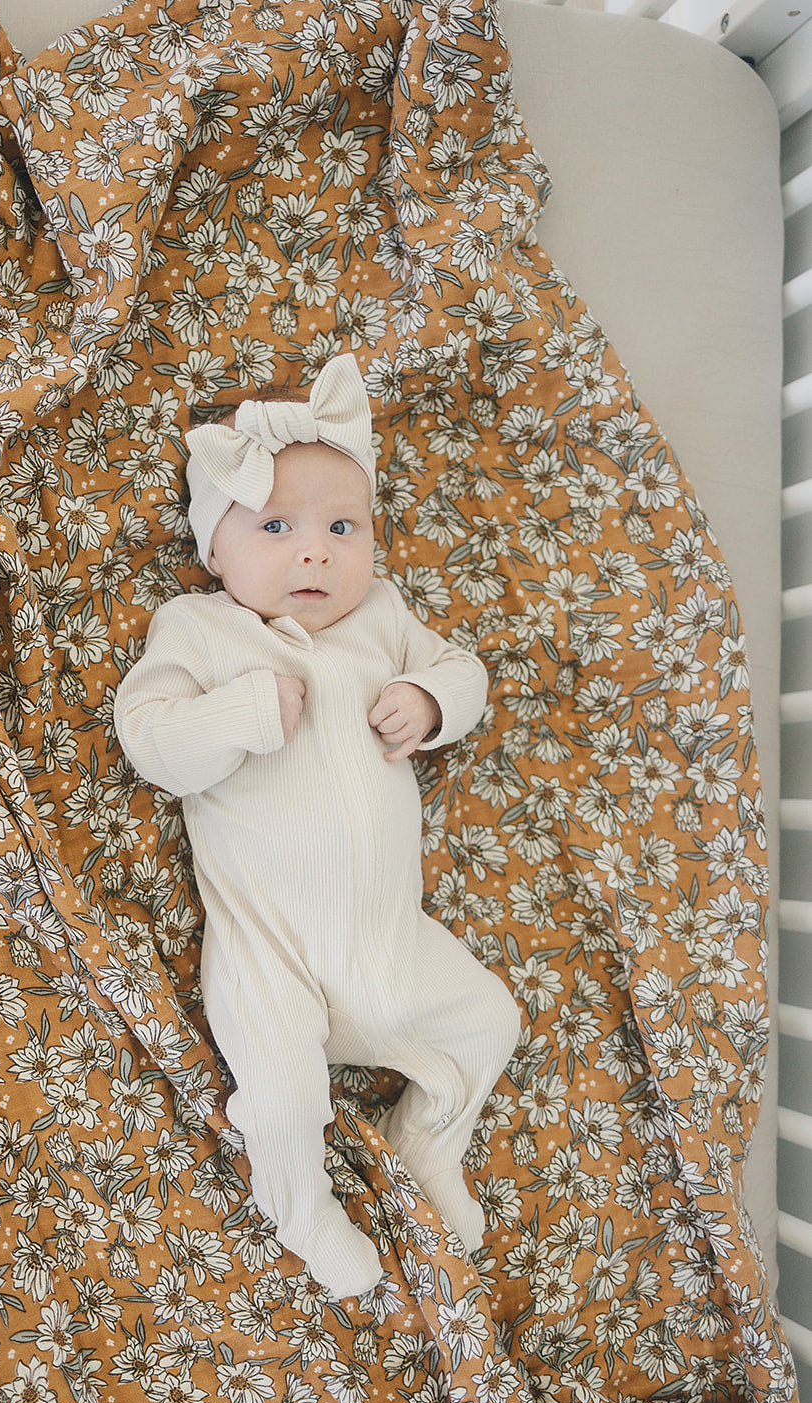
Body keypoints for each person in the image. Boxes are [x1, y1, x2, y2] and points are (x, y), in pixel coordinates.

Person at [114, 354, 521, 1299]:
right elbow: (151, 740)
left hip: (390, 940)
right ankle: (301, 1208)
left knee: (489, 1018)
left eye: (343, 528)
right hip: (271, 952)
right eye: (275, 527)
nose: (315, 553)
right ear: (215, 553)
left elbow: (464, 670)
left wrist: (430, 700)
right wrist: (242, 713)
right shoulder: (200, 628)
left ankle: (427, 1145)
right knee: (283, 1096)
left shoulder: (382, 616)